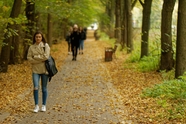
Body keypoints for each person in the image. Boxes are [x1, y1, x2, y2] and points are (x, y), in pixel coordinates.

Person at [27, 31, 50, 113]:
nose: (38, 38)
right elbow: (29, 58)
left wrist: (35, 57)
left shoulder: (45, 46)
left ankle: (44, 105)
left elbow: (46, 57)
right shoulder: (31, 47)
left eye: (39, 37)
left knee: (44, 88)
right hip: (35, 70)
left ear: (42, 37)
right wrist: (40, 60)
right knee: (36, 87)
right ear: (34, 38)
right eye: (36, 37)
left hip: (44, 70)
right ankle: (36, 105)